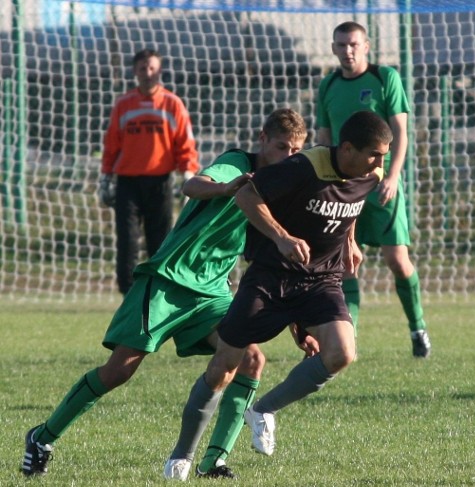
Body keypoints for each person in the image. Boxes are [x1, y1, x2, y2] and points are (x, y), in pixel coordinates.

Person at [21, 109, 310, 480]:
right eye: (281, 146)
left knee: (251, 359)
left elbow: (278, 258)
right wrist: (227, 187)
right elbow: (193, 185)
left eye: (296, 149)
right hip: (168, 281)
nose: (288, 156)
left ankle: (213, 462)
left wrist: (298, 323)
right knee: (119, 371)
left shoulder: (282, 193)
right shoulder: (238, 163)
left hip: (212, 292)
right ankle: (42, 437)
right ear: (262, 140)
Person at [190, 110, 392, 475]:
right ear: (347, 148)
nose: (381, 163)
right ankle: (184, 457)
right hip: (270, 276)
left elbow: (354, 195)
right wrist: (281, 237)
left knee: (342, 353)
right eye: (375, 154)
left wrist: (350, 239)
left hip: (321, 280)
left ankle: (263, 409)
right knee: (226, 363)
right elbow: (247, 195)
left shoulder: (371, 173)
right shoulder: (302, 167)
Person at [316, 21, 431, 358]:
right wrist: (325, 184)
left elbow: (401, 133)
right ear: (334, 48)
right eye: (340, 45)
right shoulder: (328, 85)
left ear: (366, 46)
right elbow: (324, 139)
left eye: (353, 44)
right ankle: (348, 337)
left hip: (381, 186)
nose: (347, 51)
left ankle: (418, 328)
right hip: (344, 189)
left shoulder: (385, 79)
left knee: (397, 260)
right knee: (347, 263)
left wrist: (393, 176)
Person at [100, 48, 200, 295]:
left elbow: (185, 144)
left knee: (161, 242)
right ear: (135, 71)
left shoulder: (172, 103)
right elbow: (112, 144)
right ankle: (128, 294)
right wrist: (105, 177)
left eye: (152, 68)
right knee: (128, 241)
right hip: (128, 184)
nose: (148, 73)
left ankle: (158, 293)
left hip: (160, 182)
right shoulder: (124, 105)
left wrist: (188, 173)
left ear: (160, 70)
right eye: (143, 68)